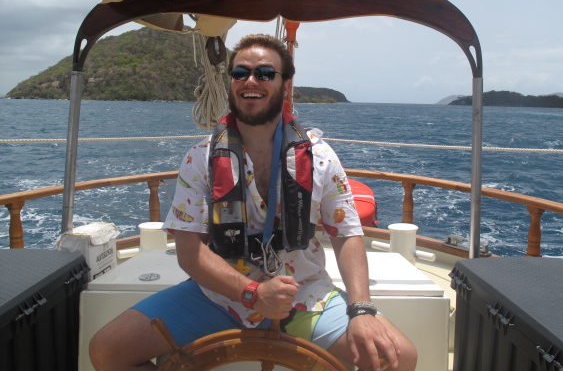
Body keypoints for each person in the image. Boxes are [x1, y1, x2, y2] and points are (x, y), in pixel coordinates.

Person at [89, 34, 417, 371]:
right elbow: (189, 251)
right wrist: (252, 293)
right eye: (240, 73)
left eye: (265, 73)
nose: (250, 81)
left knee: (398, 359)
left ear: (285, 86)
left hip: (303, 296)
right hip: (219, 297)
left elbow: (346, 234)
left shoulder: (320, 158)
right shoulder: (200, 158)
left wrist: (361, 309)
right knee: (107, 351)